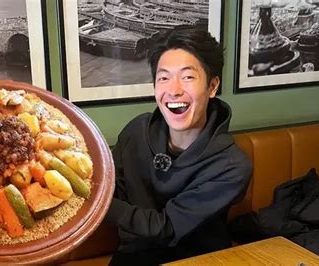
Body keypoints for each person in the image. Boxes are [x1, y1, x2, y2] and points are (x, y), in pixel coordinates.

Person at [105, 24, 253, 265]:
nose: (173, 90)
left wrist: (93, 203)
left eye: (187, 77)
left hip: (198, 259)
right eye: (164, 77)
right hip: (134, 257)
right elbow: (113, 187)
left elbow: (168, 228)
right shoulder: (136, 132)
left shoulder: (232, 166)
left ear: (212, 86)